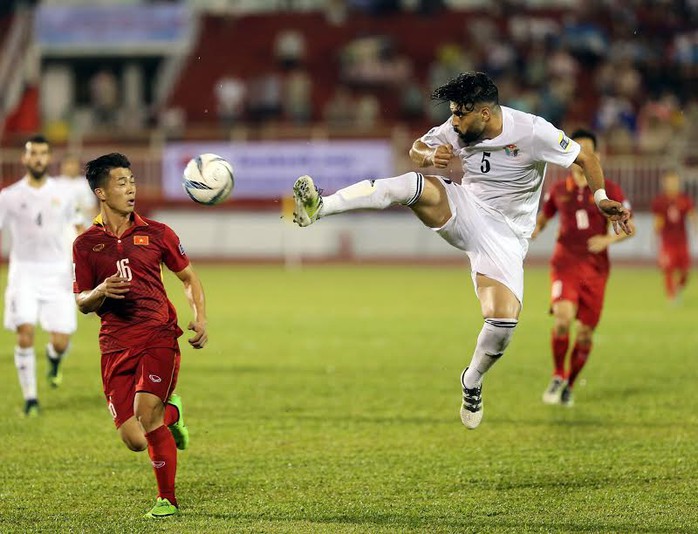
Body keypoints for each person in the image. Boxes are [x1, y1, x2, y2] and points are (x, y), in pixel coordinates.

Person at [291, 72, 632, 430]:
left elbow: (586, 160)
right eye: (452, 113)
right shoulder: (457, 129)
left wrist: (601, 198)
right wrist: (428, 156)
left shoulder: (532, 131)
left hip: (506, 236)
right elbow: (416, 149)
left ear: (485, 114)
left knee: (503, 322)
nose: (453, 121)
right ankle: (321, 207)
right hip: (466, 207)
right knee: (412, 185)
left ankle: (472, 380)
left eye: (460, 114)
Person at [72, 153, 208, 518]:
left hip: (158, 334)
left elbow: (188, 278)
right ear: (101, 192)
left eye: (132, 181)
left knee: (146, 413)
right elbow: (82, 302)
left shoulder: (158, 233)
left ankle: (168, 500)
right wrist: (99, 291)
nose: (131, 188)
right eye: (121, 182)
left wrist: (200, 318)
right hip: (114, 345)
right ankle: (173, 415)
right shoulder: (85, 244)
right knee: (134, 439)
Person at [533, 129, 633, 407]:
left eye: (587, 152)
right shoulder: (558, 190)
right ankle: (556, 374)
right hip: (565, 263)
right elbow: (544, 217)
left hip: (596, 270)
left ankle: (569, 384)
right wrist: (534, 231)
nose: (581, 157)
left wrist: (608, 238)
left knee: (586, 333)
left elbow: (630, 228)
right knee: (563, 320)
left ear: (596, 157)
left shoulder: (609, 191)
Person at [0, 135, 81, 416]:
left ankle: (54, 359)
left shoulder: (65, 193)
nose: (38, 158)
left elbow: (78, 226)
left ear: (49, 158)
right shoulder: (9, 197)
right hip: (24, 274)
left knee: (60, 341)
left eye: (43, 153)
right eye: (33, 153)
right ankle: (31, 398)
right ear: (24, 158)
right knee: (25, 333)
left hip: (57, 273)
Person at [650, 170, 696, 303]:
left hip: (682, 241)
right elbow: (658, 220)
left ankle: (678, 287)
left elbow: (692, 215)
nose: (671, 184)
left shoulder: (684, 199)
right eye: (669, 181)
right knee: (668, 269)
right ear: (664, 183)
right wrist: (654, 237)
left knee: (685, 272)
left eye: (674, 181)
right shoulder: (660, 201)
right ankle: (671, 297)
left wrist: (695, 226)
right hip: (667, 242)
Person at [56, 153, 98, 248]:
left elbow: (92, 208)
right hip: (62, 230)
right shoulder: (55, 184)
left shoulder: (85, 184)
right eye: (68, 163)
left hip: (83, 228)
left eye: (74, 163)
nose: (71, 167)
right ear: (63, 166)